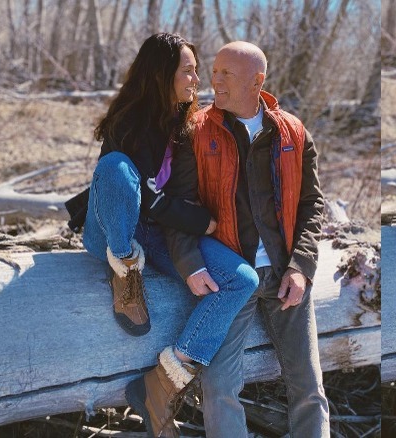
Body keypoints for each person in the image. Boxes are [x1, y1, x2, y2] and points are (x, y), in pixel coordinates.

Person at [149, 41, 329, 438]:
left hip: (286, 277)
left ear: (257, 80)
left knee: (309, 387)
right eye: (213, 71)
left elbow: (312, 207)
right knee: (219, 388)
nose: (213, 79)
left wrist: (301, 268)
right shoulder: (195, 131)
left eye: (226, 73)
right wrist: (190, 263)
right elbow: (178, 207)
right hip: (233, 278)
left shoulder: (294, 133)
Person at [75, 32, 216, 337]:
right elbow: (149, 198)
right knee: (116, 166)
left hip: (157, 231)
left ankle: (186, 361)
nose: (196, 79)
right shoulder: (129, 121)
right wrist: (201, 221)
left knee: (224, 278)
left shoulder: (183, 120)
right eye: (187, 71)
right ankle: (125, 271)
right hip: (114, 232)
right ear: (160, 75)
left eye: (196, 70)